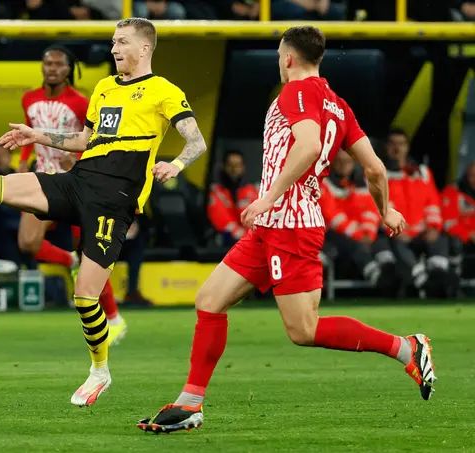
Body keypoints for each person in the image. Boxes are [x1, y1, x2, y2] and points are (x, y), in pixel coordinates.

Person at [0, 17, 206, 407]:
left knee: (85, 296)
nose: (114, 48)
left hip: (115, 199)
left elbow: (195, 141)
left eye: (122, 42)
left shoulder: (164, 90)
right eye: (113, 41)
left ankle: (99, 370)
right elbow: (84, 139)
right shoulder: (104, 87)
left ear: (145, 48)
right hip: (79, 180)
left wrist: (176, 165)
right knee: (1, 186)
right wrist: (37, 136)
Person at [136, 26, 435, 433]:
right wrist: (386, 210)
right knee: (209, 301)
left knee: (303, 330)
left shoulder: (295, 92)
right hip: (272, 227)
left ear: (288, 57)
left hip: (290, 226)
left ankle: (406, 348)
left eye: (280, 55)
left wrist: (268, 197)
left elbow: (308, 146)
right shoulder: (338, 106)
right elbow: (376, 169)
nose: (280, 61)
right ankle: (190, 405)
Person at [18, 44, 127, 345]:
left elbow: (96, 139)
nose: (52, 68)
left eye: (58, 64)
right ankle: (69, 261)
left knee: (91, 253)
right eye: (47, 63)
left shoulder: (82, 102)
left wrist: (78, 161)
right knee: (27, 243)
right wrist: (23, 159)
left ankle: (114, 319)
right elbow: (31, 130)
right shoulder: (29, 98)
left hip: (77, 181)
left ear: (69, 69)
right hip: (43, 178)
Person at [385, 128, 454, 297]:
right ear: (386, 147)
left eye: (401, 144)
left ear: (407, 147)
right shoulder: (378, 173)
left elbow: (432, 203)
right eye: (393, 144)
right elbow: (378, 207)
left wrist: (433, 227)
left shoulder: (422, 172)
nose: (397, 148)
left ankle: (439, 276)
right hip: (398, 234)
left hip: (422, 232)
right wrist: (396, 229)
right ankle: (425, 282)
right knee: (396, 244)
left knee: (440, 238)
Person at [320, 151, 399, 292]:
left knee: (381, 239)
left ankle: (388, 268)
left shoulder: (362, 183)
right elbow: (332, 216)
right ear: (332, 162)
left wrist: (368, 233)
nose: (343, 165)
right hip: (334, 235)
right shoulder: (324, 183)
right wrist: (359, 235)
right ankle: (376, 276)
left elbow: (370, 210)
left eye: (347, 161)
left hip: (361, 233)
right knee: (354, 245)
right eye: (339, 161)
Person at [207, 149, 259, 245]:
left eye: (237, 165)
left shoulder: (252, 191)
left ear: (243, 167)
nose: (234, 169)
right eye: (230, 165)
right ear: (224, 166)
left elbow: (256, 220)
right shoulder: (215, 192)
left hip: (250, 241)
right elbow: (223, 221)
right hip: (226, 242)